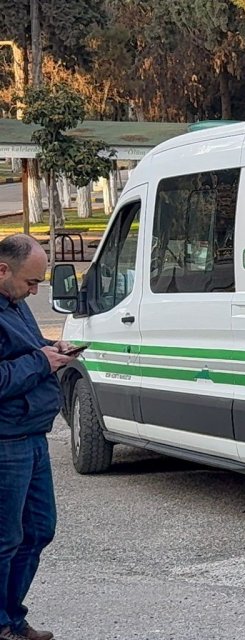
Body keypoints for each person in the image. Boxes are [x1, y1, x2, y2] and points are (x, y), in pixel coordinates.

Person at [0, 235, 75, 640]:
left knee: (39, 529)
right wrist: (40, 361)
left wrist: (52, 347)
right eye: (31, 283)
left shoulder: (17, 305)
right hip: (6, 439)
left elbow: (27, 351)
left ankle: (11, 615)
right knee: (6, 537)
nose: (35, 291)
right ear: (2, 270)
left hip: (33, 434)